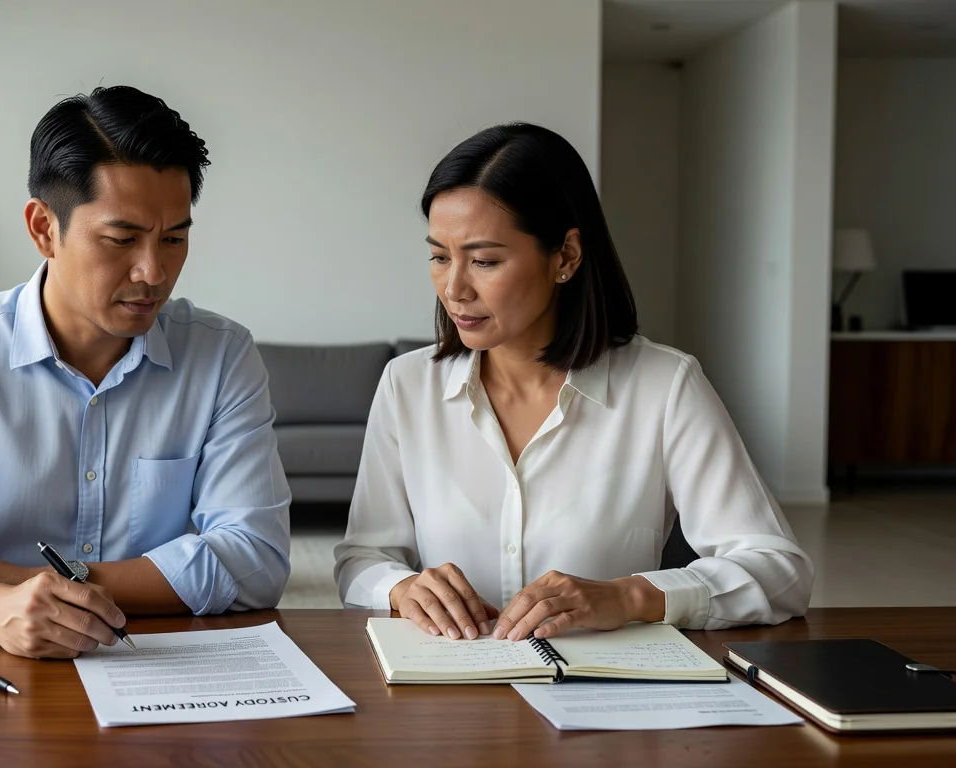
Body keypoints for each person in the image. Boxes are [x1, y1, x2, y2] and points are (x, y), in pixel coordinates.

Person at [0, 86, 291, 659]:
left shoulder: (221, 356)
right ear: (43, 228)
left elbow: (256, 558)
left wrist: (33, 582)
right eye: (122, 239)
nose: (153, 271)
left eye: (175, 238)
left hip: (159, 668)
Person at [333, 123, 812, 643]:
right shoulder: (408, 385)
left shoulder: (664, 384)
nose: (454, 289)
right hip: (455, 694)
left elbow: (779, 571)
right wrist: (402, 589)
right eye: (440, 256)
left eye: (485, 261)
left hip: (605, 702)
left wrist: (631, 596)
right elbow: (361, 560)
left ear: (565, 256)